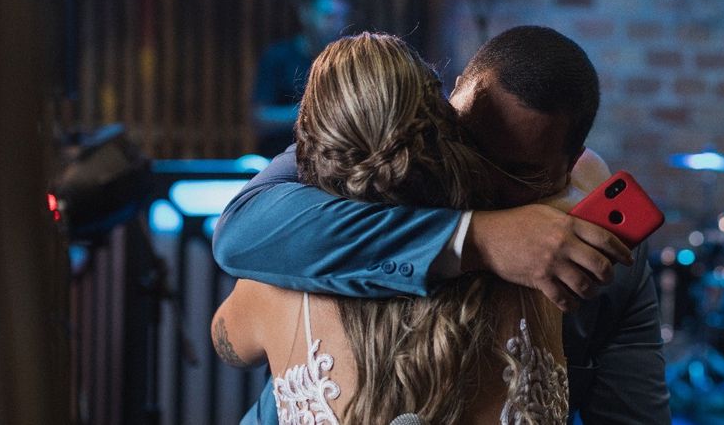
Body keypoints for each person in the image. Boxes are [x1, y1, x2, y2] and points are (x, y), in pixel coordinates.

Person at [214, 26, 671, 424]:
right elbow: (240, 230)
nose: (479, 174)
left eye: (517, 171)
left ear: (568, 166)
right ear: (450, 104)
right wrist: (478, 237)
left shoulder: (610, 266)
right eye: (466, 141)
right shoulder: (374, 158)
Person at [252, 0, 351, 156]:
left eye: (341, 17)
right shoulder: (278, 56)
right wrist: (314, 112)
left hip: (330, 163)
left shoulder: (345, 63)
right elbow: (259, 118)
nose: (335, 24)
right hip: (280, 157)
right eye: (328, 16)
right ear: (306, 14)